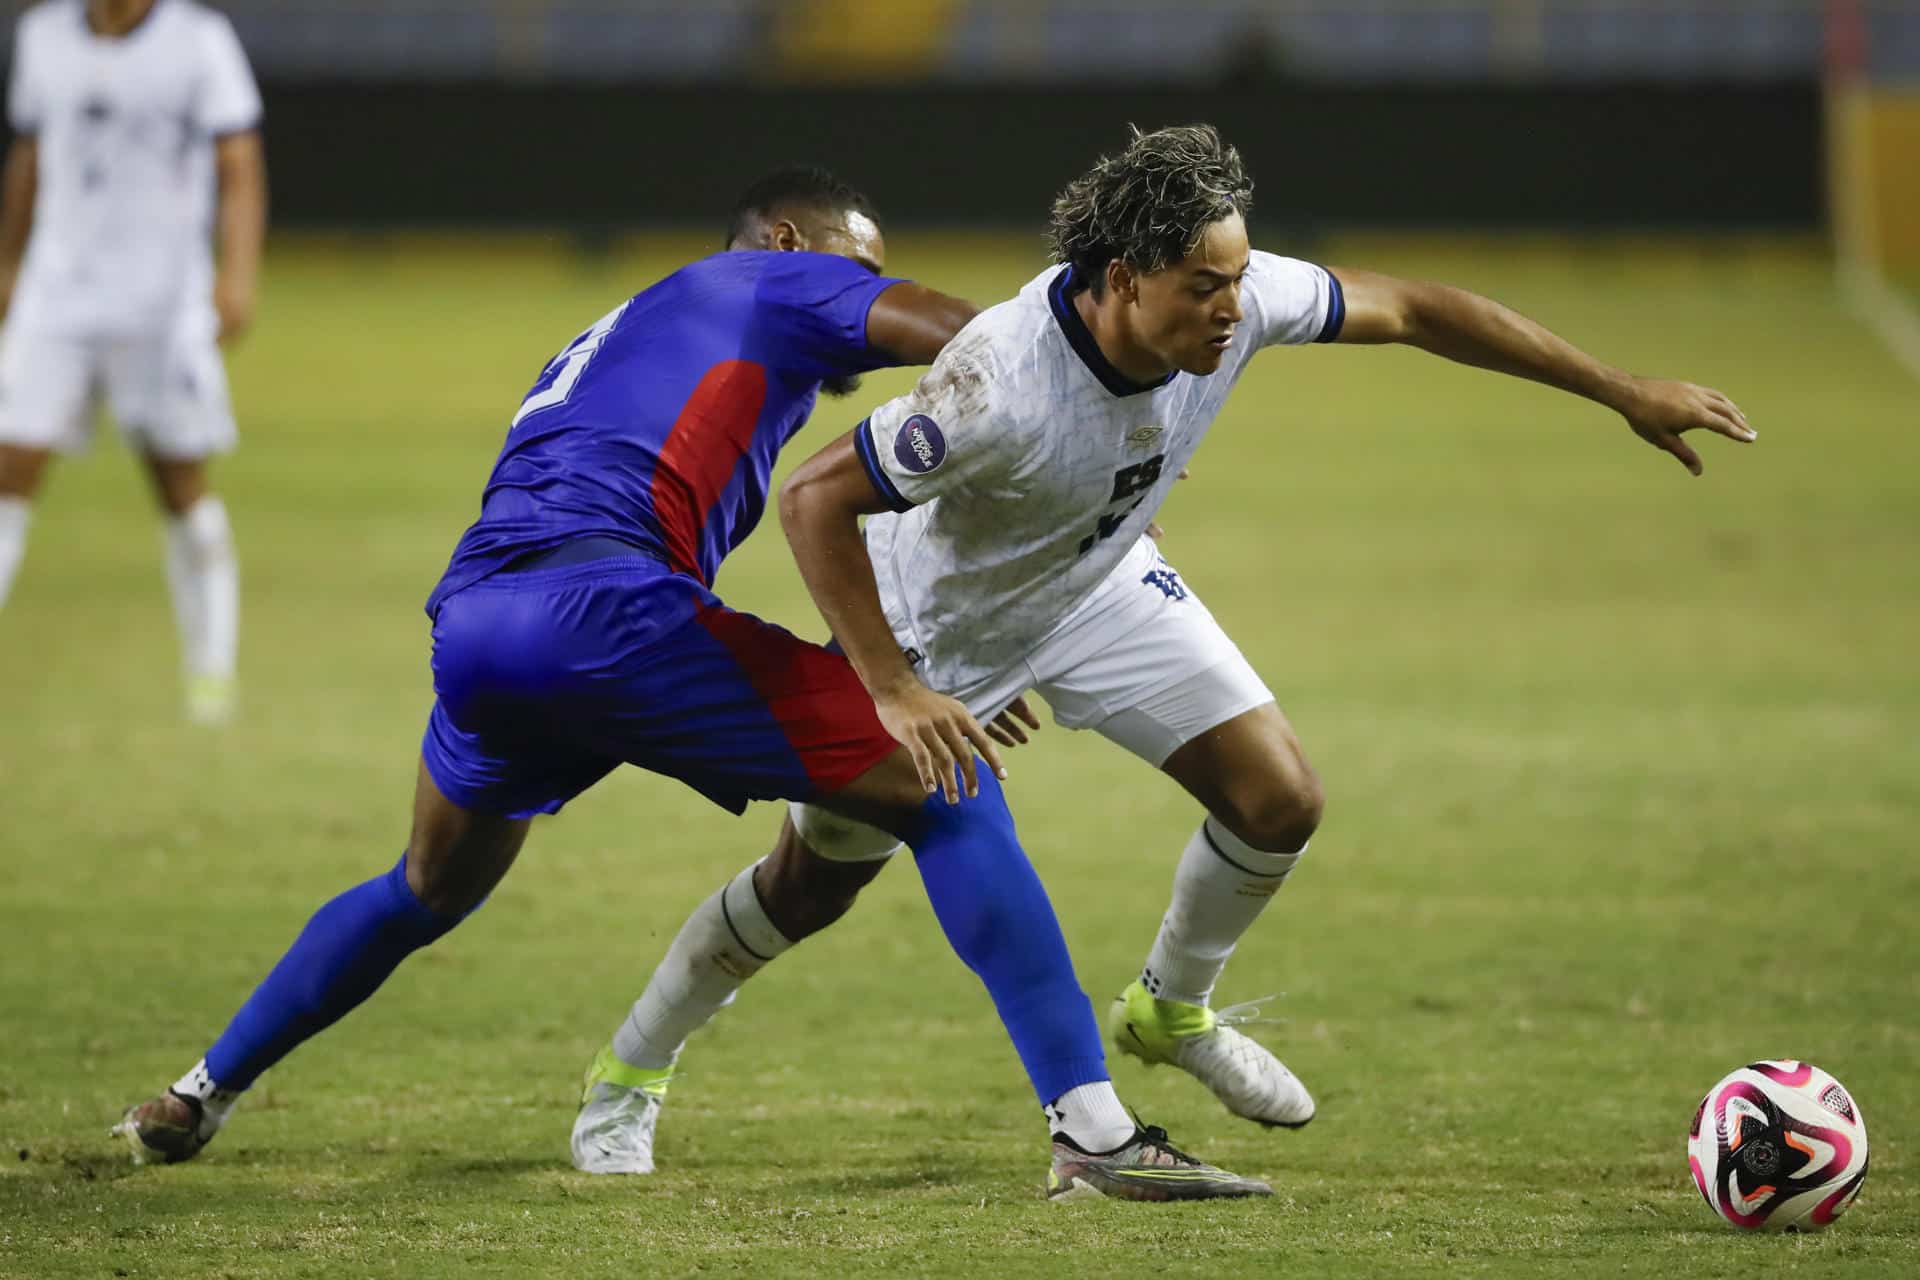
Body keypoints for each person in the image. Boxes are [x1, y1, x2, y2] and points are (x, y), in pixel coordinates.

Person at [579, 125, 1757, 1173]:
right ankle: (628, 1077)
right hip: (945, 631)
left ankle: (1172, 1010)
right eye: (1207, 289)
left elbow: (1419, 310)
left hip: (1099, 584)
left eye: (1240, 279)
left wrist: (1621, 389)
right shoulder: (996, 382)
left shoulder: (1230, 296)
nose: (1236, 311)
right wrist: (895, 683)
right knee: (809, 887)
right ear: (1123, 278)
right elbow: (816, 495)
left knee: (1279, 797)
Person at [112, 167, 1274, 1203]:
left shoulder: (624, 324)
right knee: (948, 786)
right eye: (852, 263)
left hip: (478, 624)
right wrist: (1095, 450)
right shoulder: (773, 281)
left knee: (426, 884)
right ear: (783, 240)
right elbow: (991, 347)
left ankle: (198, 1089)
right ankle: (1092, 1130)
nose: (857, 290)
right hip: (610, 615)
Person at [0, 0, 266, 724]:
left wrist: (235, 274)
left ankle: (211, 674)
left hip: (161, 304)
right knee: (9, 469)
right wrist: (9, 259)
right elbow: (29, 153)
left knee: (179, 483)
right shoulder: (41, 37)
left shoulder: (198, 42)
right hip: (57, 298)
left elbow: (238, 163)